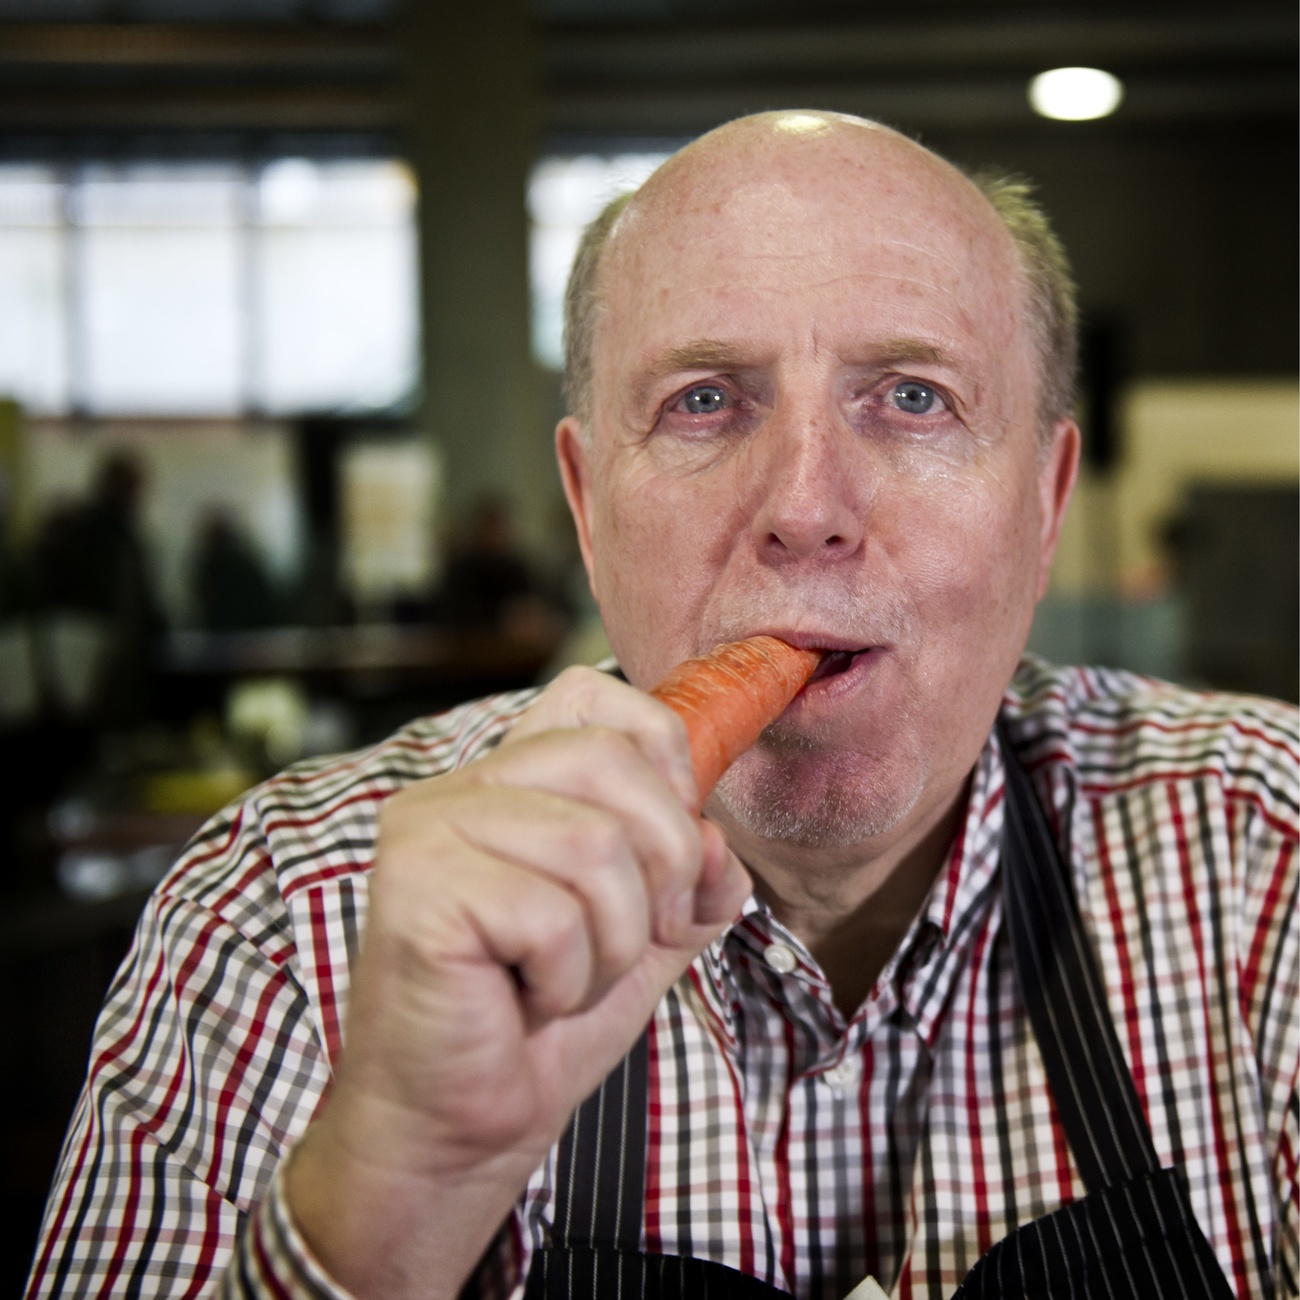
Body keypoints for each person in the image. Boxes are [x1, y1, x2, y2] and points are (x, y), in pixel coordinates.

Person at [27, 113, 1297, 1300]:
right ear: (587, 507)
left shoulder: (1268, 859)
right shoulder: (288, 917)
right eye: (704, 401)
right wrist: (392, 1180)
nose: (804, 506)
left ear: (1044, 502)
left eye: (914, 396)